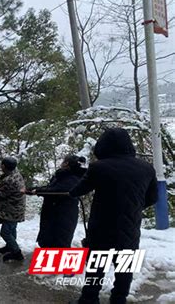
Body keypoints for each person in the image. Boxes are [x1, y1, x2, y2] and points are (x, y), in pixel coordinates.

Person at [68, 128, 158, 304]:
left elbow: (77, 191)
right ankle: (119, 299)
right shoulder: (147, 168)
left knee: (96, 266)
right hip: (129, 228)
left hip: (102, 228)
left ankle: (89, 299)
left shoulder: (99, 167)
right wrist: (133, 208)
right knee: (125, 267)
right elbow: (153, 198)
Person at [32, 155, 86, 249]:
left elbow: (57, 190)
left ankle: (56, 263)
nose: (61, 163)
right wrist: (34, 189)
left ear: (67, 163)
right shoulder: (61, 175)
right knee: (47, 242)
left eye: (63, 161)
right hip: (52, 214)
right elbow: (50, 188)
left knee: (59, 244)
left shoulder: (73, 177)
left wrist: (38, 191)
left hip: (63, 216)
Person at [0, 157, 26, 262]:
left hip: (11, 210)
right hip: (17, 208)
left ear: (4, 166)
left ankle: (17, 253)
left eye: (1, 164)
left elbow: (0, 194)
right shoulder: (16, 174)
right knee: (12, 229)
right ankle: (10, 246)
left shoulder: (9, 180)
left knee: (5, 232)